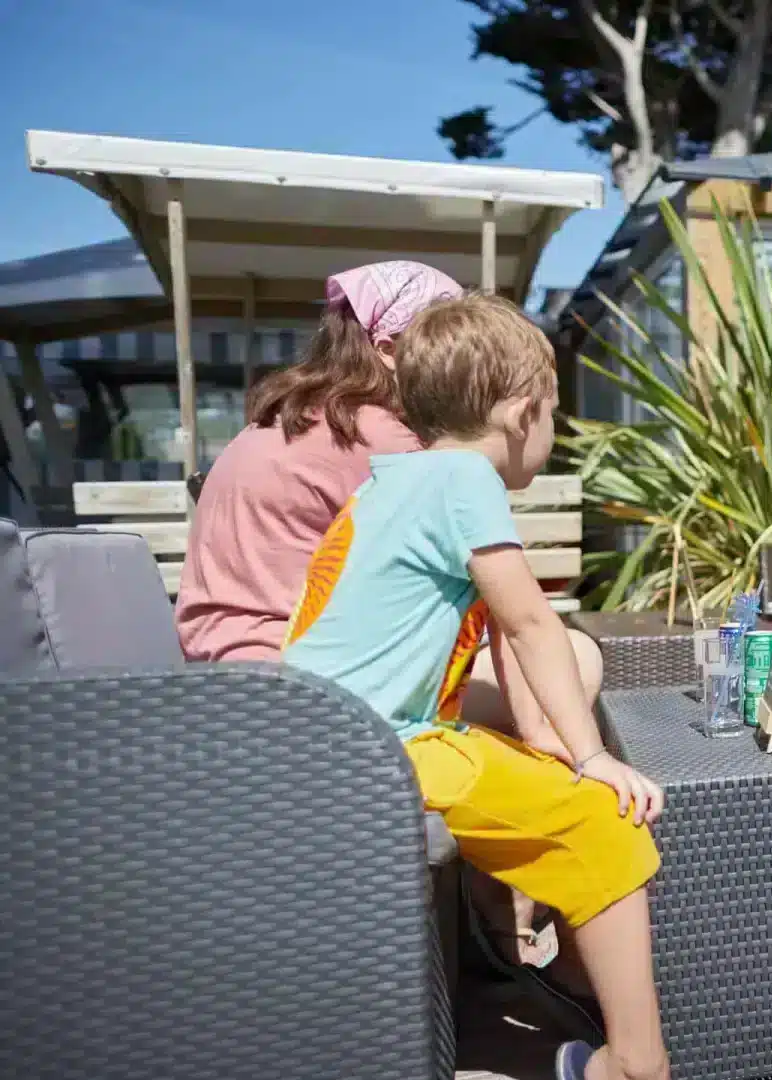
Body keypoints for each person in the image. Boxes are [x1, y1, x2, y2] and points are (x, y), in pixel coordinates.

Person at [280, 294, 669, 1080]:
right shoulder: (465, 480)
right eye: (554, 415)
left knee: (559, 788)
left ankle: (583, 1008)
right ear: (525, 412)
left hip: (324, 739)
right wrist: (591, 758)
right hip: (377, 750)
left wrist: (551, 747)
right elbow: (531, 625)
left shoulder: (403, 479)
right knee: (608, 823)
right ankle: (635, 1064)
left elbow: (502, 637)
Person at [175, 260, 598, 965]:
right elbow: (505, 617)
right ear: (390, 350)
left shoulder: (298, 414)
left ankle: (491, 913)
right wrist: (558, 747)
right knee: (574, 661)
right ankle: (508, 912)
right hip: (300, 696)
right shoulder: (394, 443)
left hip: (227, 679)